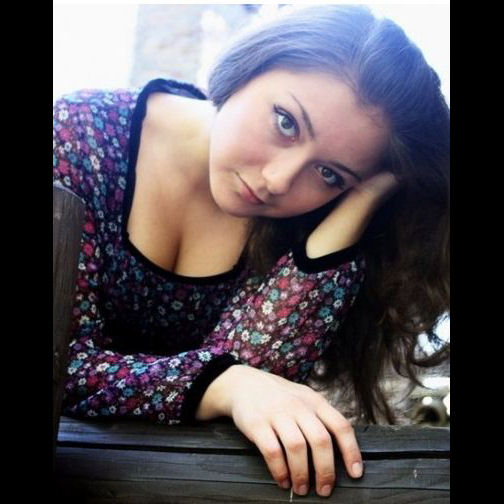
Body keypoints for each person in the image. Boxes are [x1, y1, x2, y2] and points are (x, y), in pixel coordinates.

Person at [52, 4, 450, 498]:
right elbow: (64, 365)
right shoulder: (76, 136)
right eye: (286, 122)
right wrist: (220, 384)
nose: (279, 181)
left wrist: (362, 200)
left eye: (329, 173)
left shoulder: (311, 224)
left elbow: (260, 388)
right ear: (252, 64)